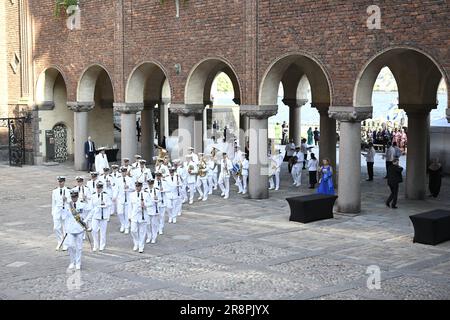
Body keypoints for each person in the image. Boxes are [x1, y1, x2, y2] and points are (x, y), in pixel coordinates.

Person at [63, 190, 88, 270]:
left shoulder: (82, 204)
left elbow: (91, 210)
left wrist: (86, 221)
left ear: (77, 196)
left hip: (79, 228)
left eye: (75, 197)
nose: (73, 198)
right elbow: (64, 216)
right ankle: (72, 262)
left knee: (79, 247)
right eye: (72, 197)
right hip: (70, 229)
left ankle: (78, 263)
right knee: (70, 246)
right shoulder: (68, 205)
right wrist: (63, 203)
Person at [86, 181, 111, 251]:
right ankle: (95, 245)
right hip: (95, 216)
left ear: (102, 188)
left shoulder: (106, 195)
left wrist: (104, 204)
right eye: (97, 188)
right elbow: (91, 207)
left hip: (103, 216)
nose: (98, 189)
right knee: (94, 231)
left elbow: (109, 204)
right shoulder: (93, 195)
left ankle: (102, 246)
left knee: (103, 232)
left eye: (100, 188)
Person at [129, 181, 150, 253]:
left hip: (143, 215)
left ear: (141, 187)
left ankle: (141, 246)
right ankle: (136, 243)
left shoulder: (146, 194)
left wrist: (145, 205)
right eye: (136, 186)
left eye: (139, 186)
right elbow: (130, 206)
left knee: (142, 232)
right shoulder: (132, 195)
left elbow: (150, 203)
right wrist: (129, 216)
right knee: (133, 230)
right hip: (134, 215)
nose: (137, 188)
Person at [52, 176, 70, 251]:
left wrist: (66, 200)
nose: (60, 183)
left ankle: (65, 244)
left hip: (65, 210)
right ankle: (60, 241)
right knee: (56, 228)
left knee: (65, 228)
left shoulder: (68, 190)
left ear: (64, 182)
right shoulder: (55, 191)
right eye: (59, 181)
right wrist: (53, 212)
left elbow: (71, 201)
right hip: (57, 210)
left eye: (61, 181)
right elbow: (53, 203)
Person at [116, 166, 134, 234]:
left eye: (124, 172)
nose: (123, 173)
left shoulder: (130, 179)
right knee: (120, 212)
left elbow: (133, 189)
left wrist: (128, 187)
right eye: (122, 172)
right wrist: (114, 197)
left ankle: (126, 227)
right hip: (121, 198)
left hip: (128, 198)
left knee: (127, 214)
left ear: (126, 172)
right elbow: (116, 189)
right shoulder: (118, 179)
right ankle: (122, 224)